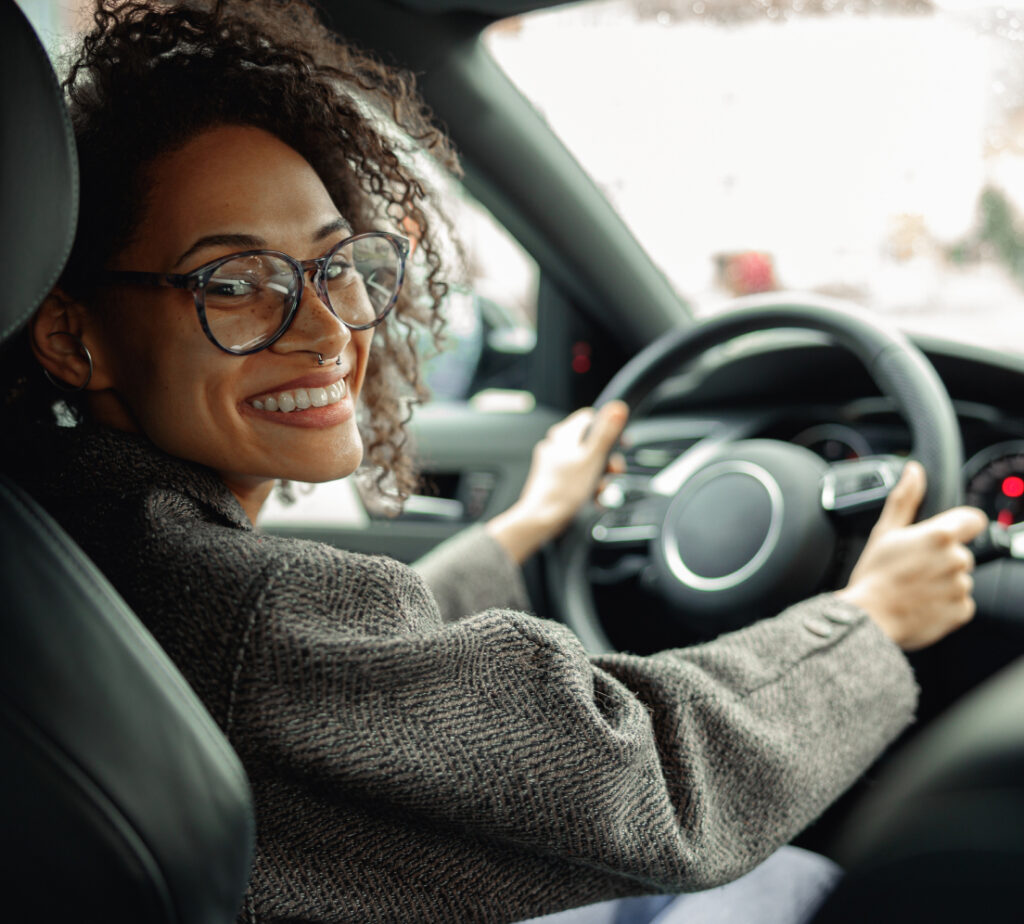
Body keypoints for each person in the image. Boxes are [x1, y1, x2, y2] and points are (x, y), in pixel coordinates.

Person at [0, 1, 987, 921]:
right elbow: (654, 784)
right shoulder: (228, 608)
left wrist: (519, 530)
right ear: (72, 336)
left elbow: (349, 685)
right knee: (806, 887)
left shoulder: (72, 539)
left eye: (338, 264)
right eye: (237, 281)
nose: (325, 329)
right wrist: (867, 625)